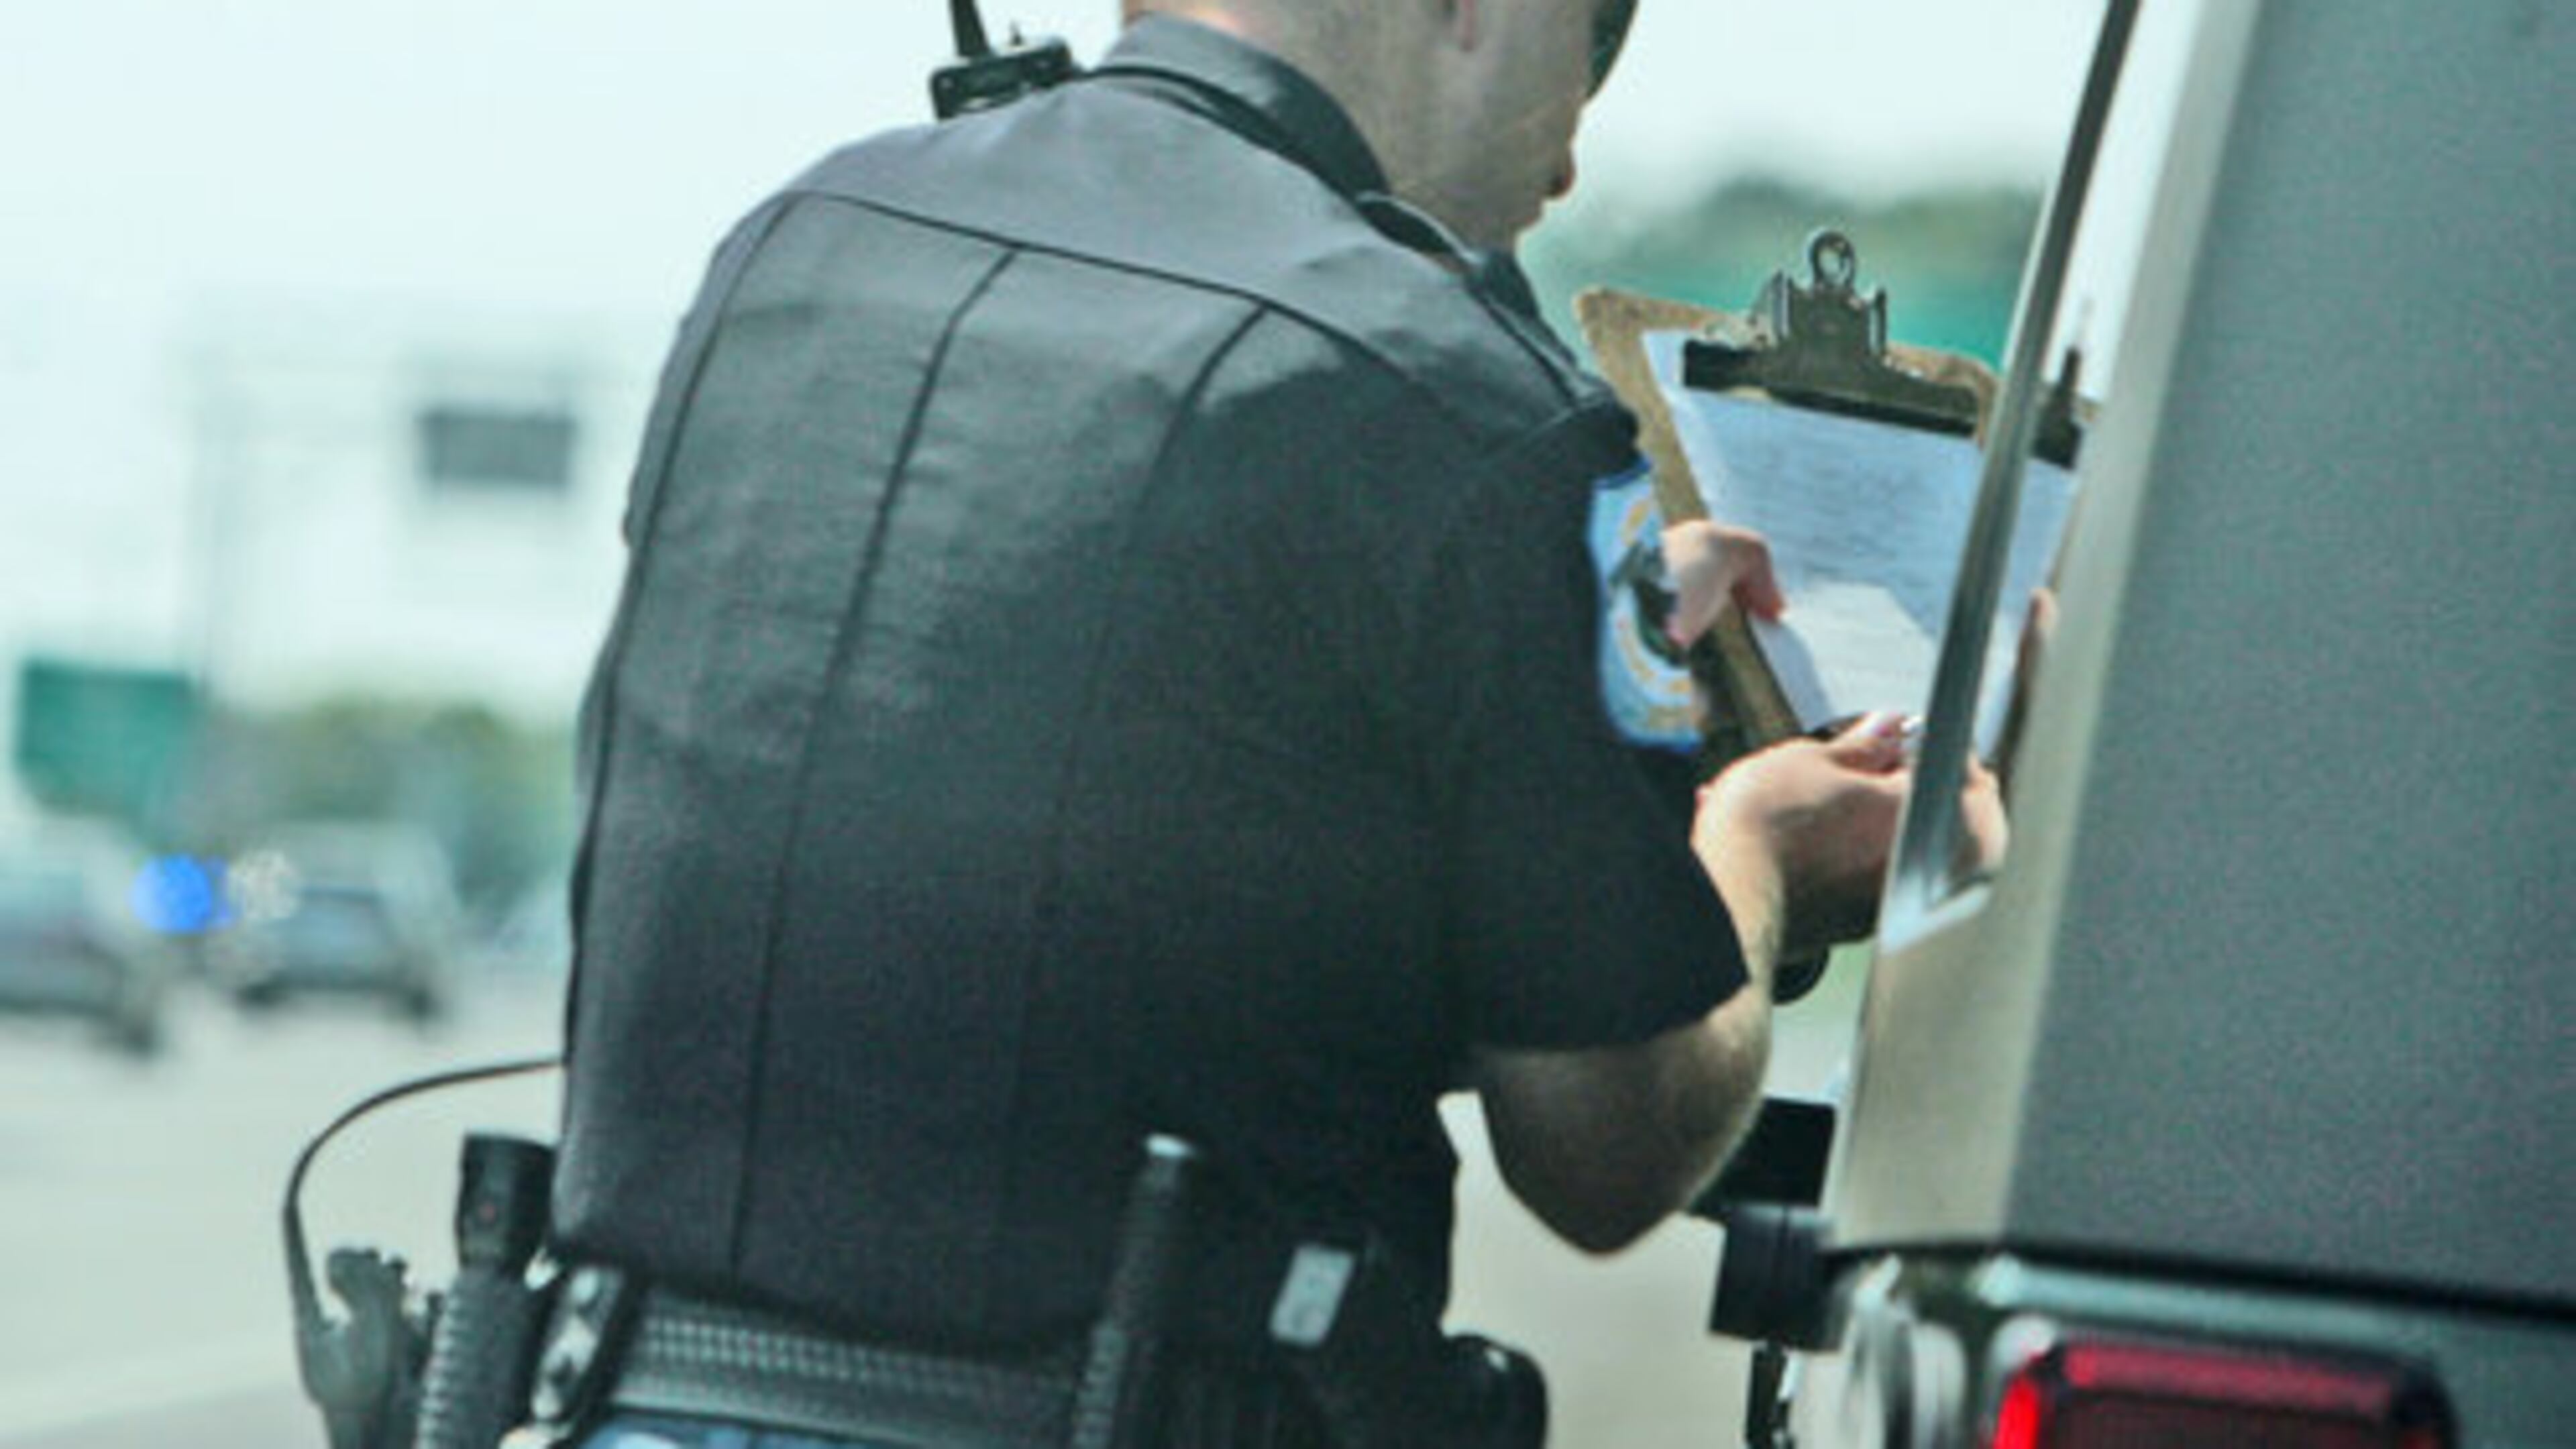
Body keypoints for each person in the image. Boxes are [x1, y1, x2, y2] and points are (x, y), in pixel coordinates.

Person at [545, 1, 1925, 1444]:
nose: (1567, 166)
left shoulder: (790, 248)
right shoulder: (1480, 413)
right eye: (1592, 51)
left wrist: (1572, 645)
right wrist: (1760, 841)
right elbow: (1605, 1149)